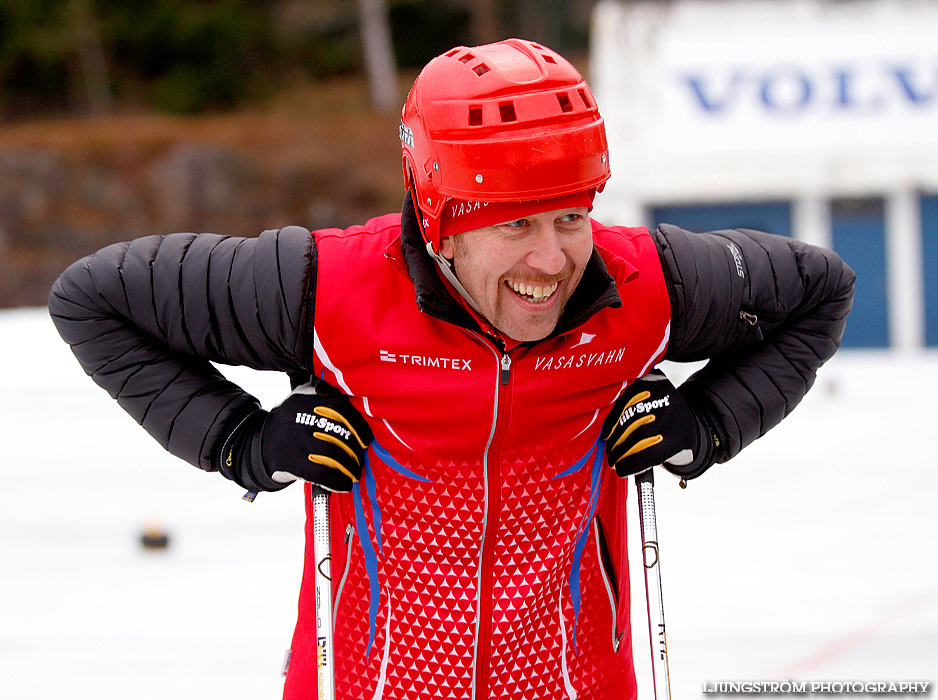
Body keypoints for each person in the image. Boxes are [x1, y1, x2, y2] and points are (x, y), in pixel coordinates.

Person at [48, 38, 854, 700]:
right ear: (442, 219)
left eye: (573, 215)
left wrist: (705, 425)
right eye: (516, 225)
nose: (553, 259)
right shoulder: (327, 292)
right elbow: (95, 300)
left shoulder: (643, 289)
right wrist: (240, 441)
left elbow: (820, 290)